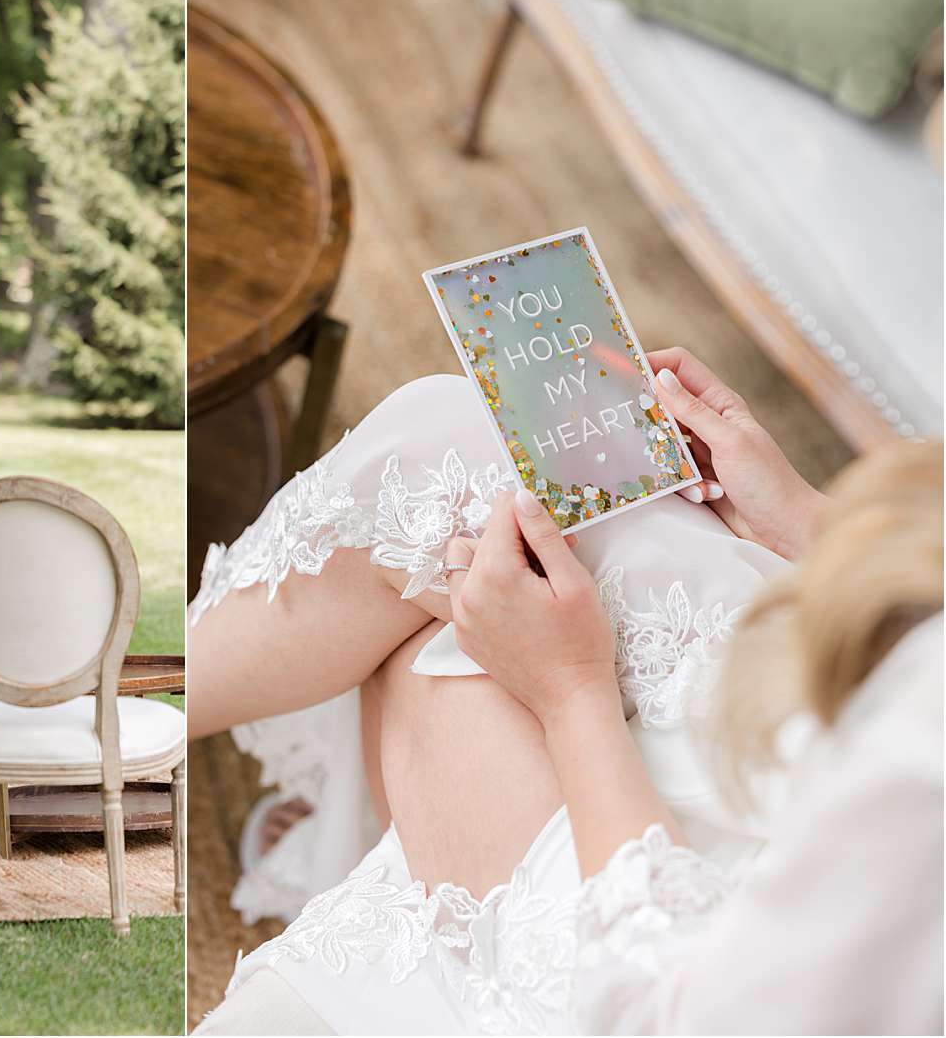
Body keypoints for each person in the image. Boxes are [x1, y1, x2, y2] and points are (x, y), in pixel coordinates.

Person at [191, 347, 942, 1034]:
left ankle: (123, 721)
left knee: (451, 616)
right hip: (848, 700)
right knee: (453, 446)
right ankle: (134, 708)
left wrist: (570, 691)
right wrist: (814, 529)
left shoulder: (912, 792)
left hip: (692, 952)